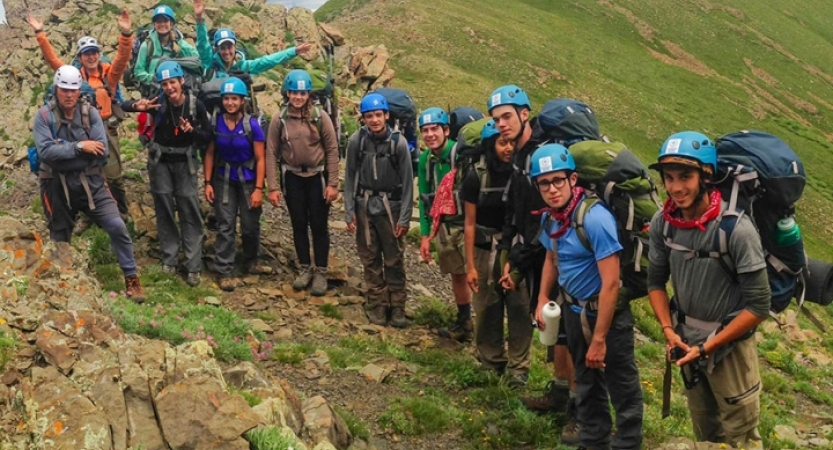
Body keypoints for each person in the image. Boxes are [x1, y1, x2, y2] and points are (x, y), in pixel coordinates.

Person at [647, 132, 770, 447]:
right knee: (705, 434)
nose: (676, 188)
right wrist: (668, 330)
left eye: (685, 176)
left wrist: (708, 347)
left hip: (729, 351)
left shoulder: (736, 231)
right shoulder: (664, 222)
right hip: (687, 344)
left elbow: (758, 306)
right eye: (669, 178)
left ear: (707, 175)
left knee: (741, 438)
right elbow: (655, 282)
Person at [530, 143, 644, 450]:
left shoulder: (595, 218)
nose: (552, 189)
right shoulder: (551, 218)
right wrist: (542, 297)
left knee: (621, 384)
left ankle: (628, 443)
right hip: (573, 310)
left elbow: (611, 283)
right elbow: (551, 259)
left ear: (573, 179)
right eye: (544, 183)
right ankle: (594, 440)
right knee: (584, 379)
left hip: (606, 316)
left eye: (558, 180)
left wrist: (599, 339)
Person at [489, 85, 576, 419]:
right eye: (497, 119)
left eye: (507, 116)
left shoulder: (543, 155)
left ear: (525, 114)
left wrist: (519, 261)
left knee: (564, 328)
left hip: (556, 253)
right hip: (533, 252)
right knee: (554, 328)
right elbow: (515, 207)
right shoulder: (521, 156)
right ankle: (559, 392)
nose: (502, 124)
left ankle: (576, 404)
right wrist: (509, 249)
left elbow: (548, 220)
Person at [34, 65, 144, 302]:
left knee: (116, 225)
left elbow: (101, 151)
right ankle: (62, 284)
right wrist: (80, 147)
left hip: (91, 181)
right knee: (60, 236)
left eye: (73, 90)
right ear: (56, 89)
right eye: (64, 89)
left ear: (78, 91)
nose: (69, 94)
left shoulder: (90, 113)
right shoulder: (44, 116)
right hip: (56, 185)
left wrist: (62, 150)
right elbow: (45, 152)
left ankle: (132, 278)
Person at [27, 10, 133, 218]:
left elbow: (122, 59)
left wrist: (126, 35)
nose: (92, 56)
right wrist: (40, 33)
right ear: (80, 57)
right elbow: (53, 61)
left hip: (106, 129)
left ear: (99, 54)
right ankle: (90, 213)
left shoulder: (108, 75)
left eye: (94, 52)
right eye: (87, 53)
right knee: (87, 172)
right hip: (83, 130)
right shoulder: (74, 77)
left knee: (113, 174)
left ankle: (121, 212)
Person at [121, 61, 211, 287]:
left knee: (189, 208)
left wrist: (193, 131)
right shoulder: (156, 103)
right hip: (160, 161)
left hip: (185, 162)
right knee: (164, 208)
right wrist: (136, 106)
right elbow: (123, 105)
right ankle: (169, 259)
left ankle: (193, 266)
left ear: (182, 81)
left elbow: (208, 136)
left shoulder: (195, 105)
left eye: (172, 82)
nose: (169, 87)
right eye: (164, 83)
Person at [461, 119, 532, 385]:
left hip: (514, 247)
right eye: (502, 143)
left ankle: (519, 368)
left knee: (519, 307)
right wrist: (469, 265)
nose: (509, 148)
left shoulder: (522, 174)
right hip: (482, 248)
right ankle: (491, 361)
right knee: (486, 306)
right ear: (491, 146)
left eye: (512, 142)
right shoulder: (474, 175)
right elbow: (469, 223)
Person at [265, 69, 339, 296]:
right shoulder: (280, 118)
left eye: (302, 93)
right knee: (298, 224)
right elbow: (271, 152)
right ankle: (305, 268)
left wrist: (333, 183)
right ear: (287, 93)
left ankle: (321, 271)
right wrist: (274, 187)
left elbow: (332, 149)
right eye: (294, 93)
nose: (298, 97)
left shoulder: (320, 116)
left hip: (317, 177)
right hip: (292, 178)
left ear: (309, 94)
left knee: (318, 225)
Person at [344, 93, 413, 327]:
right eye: (368, 116)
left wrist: (404, 218)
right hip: (364, 207)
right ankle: (378, 304)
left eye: (377, 115)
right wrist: (348, 209)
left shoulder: (398, 143)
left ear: (386, 115)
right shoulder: (357, 141)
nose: (374, 120)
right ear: (363, 118)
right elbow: (350, 175)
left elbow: (407, 183)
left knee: (394, 259)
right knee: (370, 257)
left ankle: (398, 307)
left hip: (391, 208)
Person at [203, 77, 266, 292]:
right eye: (227, 98)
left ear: (242, 101)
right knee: (225, 224)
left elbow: (261, 159)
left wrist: (259, 189)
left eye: (234, 99)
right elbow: (210, 153)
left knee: (250, 225)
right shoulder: (216, 122)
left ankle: (251, 260)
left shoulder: (252, 125)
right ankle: (224, 269)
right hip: (223, 178)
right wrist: (208, 182)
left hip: (248, 180)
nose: (230, 103)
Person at [416, 107, 472, 342]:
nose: (430, 134)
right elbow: (424, 197)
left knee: (473, 274)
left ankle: (487, 328)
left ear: (446, 130)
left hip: (467, 222)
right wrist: (425, 235)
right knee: (457, 275)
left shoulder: (459, 154)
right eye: (425, 130)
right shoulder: (425, 159)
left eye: (434, 129)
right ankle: (465, 321)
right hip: (445, 225)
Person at [193, 0, 311, 81]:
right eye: (222, 48)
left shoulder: (244, 66)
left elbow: (269, 61)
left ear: (235, 47)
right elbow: (203, 45)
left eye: (229, 47)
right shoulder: (210, 63)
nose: (227, 51)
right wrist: (199, 19)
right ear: (217, 49)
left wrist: (294, 51)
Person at [132, 5, 199, 93]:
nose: (162, 24)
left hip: (176, 90)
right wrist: (154, 78)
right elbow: (138, 71)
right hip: (155, 90)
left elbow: (196, 58)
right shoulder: (147, 45)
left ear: (171, 24)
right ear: (154, 24)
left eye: (165, 21)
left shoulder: (180, 43)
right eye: (159, 21)